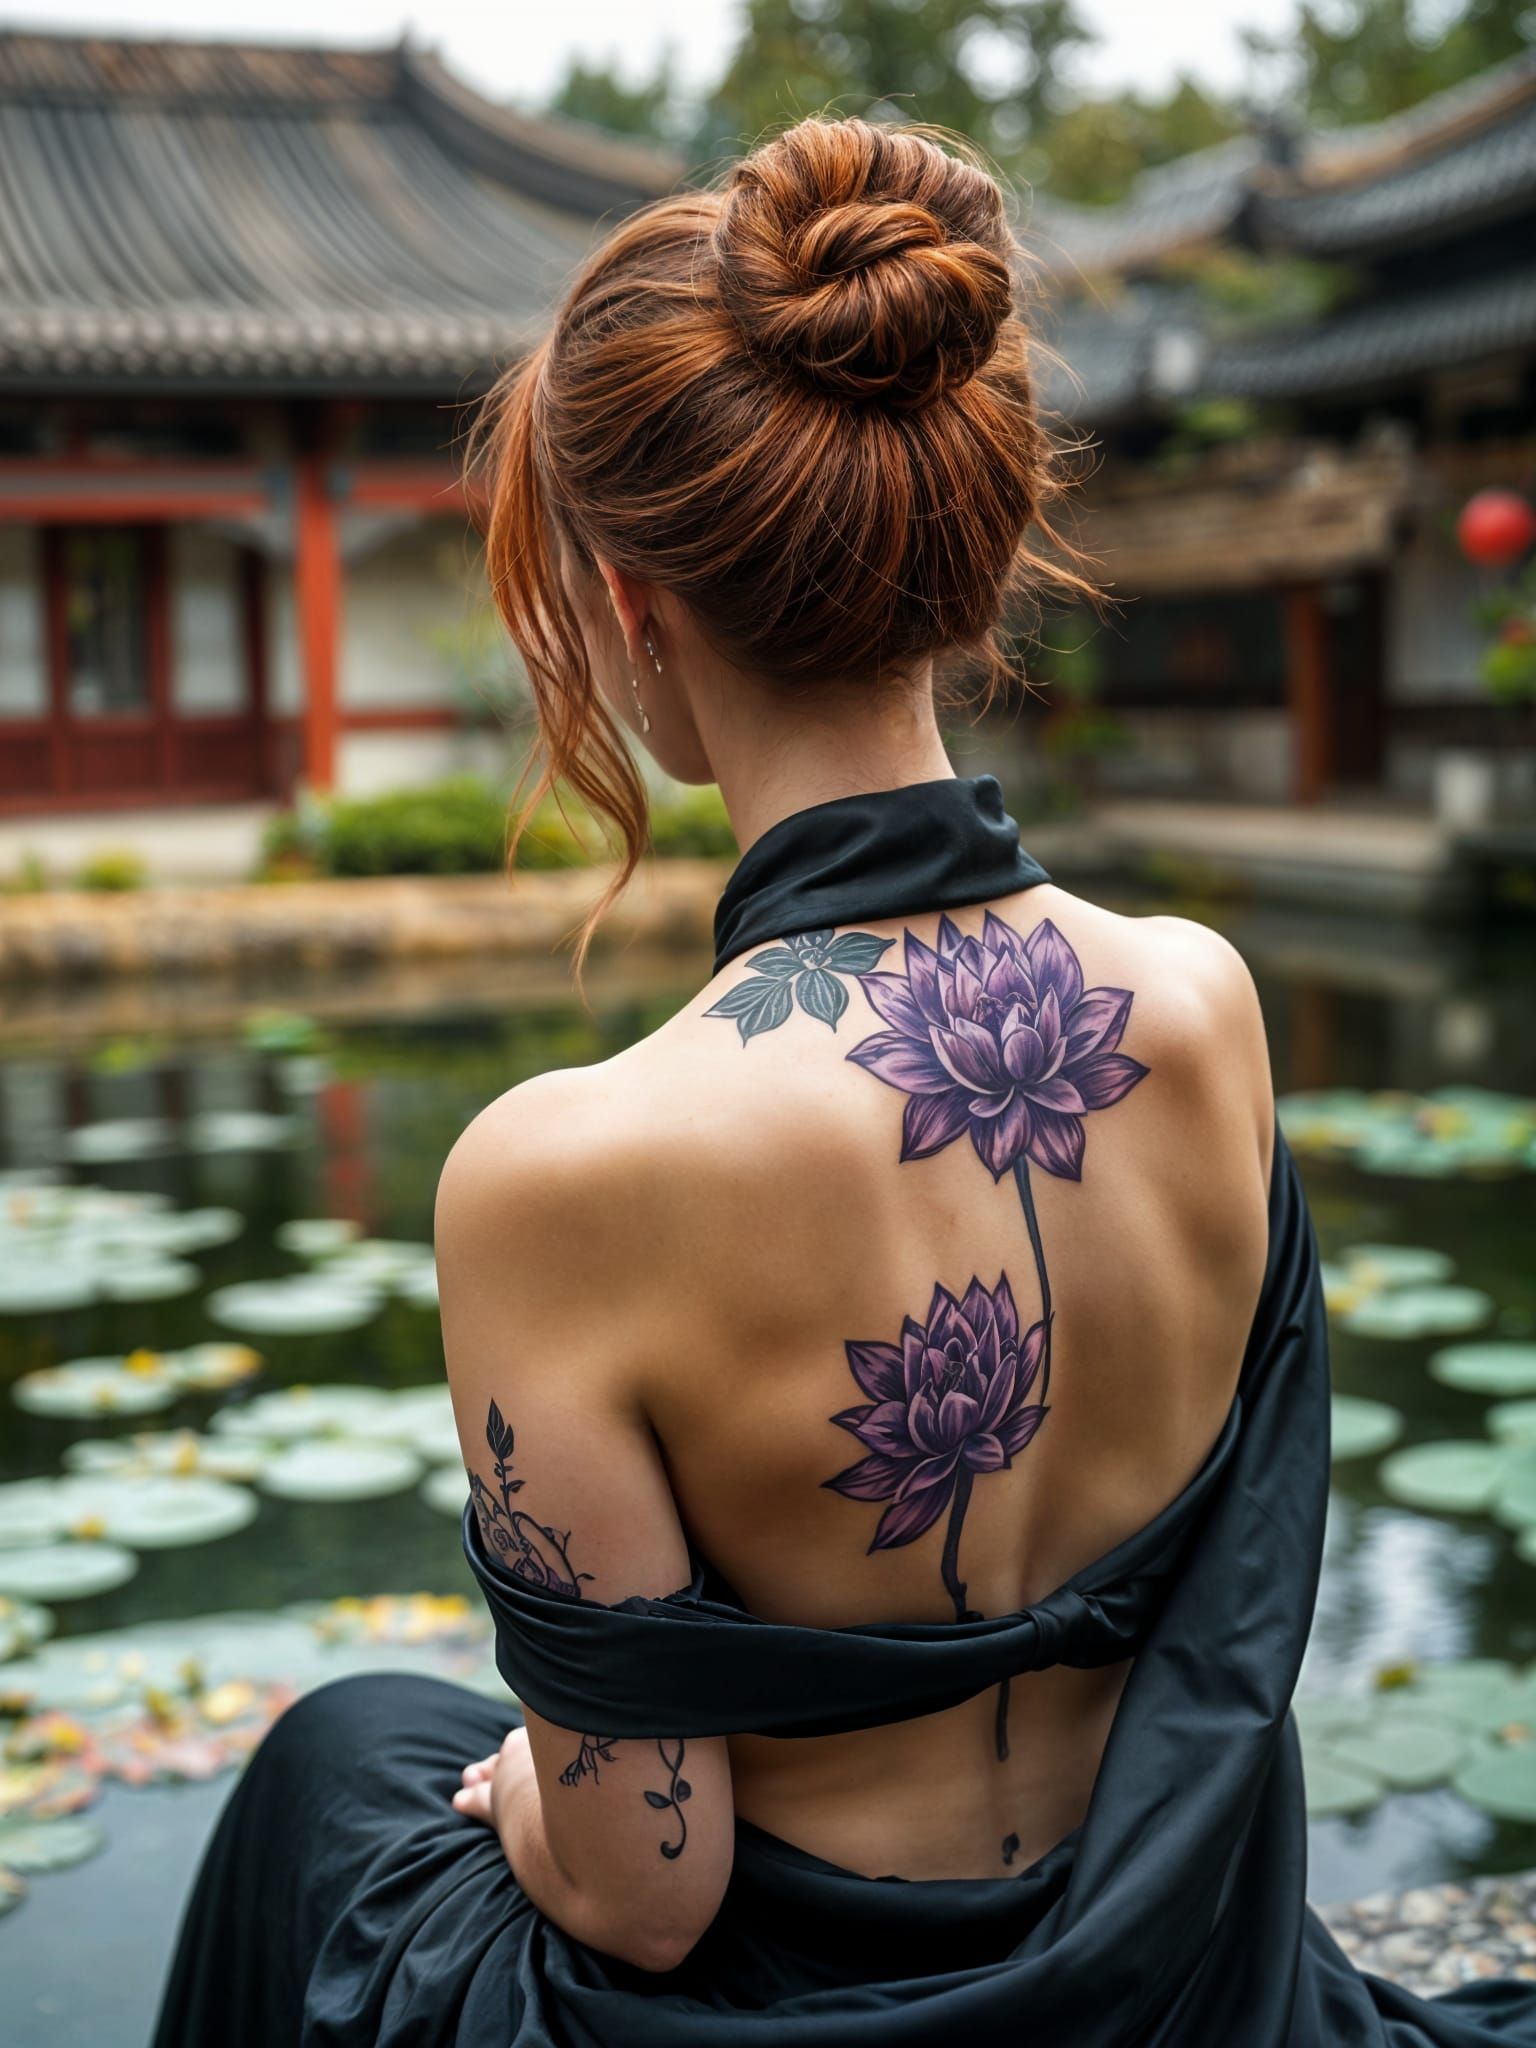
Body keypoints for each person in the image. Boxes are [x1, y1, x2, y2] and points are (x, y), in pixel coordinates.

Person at [151, 114, 1536, 2047]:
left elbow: (647, 1897)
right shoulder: (1210, 1009)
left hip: (796, 2011)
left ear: (636, 613)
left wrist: (527, 1811)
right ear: (968, 577)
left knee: (348, 1754)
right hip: (1171, 1974)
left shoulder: (558, 1175)